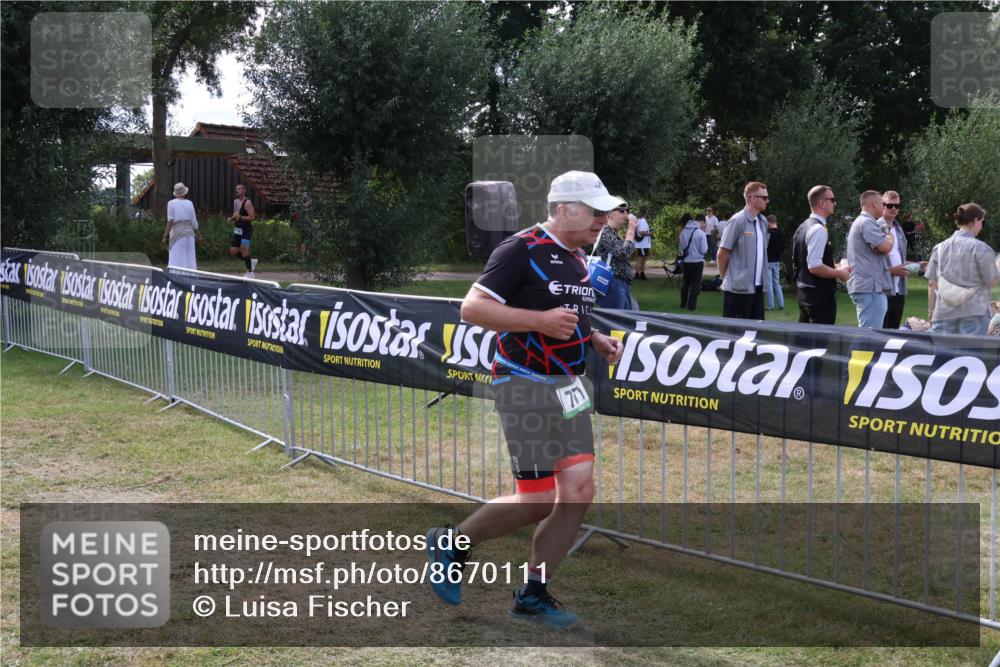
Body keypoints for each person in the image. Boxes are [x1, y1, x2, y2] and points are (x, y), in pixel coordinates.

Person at [426, 170, 625, 629]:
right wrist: (538, 322)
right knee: (536, 499)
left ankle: (532, 594)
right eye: (594, 211)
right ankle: (452, 542)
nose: (602, 219)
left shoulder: (578, 257)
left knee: (578, 493)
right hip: (523, 383)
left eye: (604, 211)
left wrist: (593, 338)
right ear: (563, 209)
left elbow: (569, 315)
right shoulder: (521, 248)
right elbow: (472, 308)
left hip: (568, 386)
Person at [925, 203, 1000, 336]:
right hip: (975, 313)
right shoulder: (982, 248)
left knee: (942, 349)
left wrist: (931, 313)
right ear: (976, 220)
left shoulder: (939, 248)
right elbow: (992, 281)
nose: (981, 226)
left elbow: (932, 283)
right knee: (971, 350)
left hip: (943, 313)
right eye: (982, 222)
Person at [792, 185, 851, 325]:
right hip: (819, 297)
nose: (835, 203)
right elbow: (814, 266)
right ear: (822, 203)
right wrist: (840, 273)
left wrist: (836, 265)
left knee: (804, 336)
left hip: (806, 293)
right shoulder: (818, 229)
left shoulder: (804, 226)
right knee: (819, 338)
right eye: (832, 200)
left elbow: (806, 261)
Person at [718, 182, 770, 319]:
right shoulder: (737, 221)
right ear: (752, 198)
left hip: (758, 289)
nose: (767, 201)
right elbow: (722, 254)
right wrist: (728, 279)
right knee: (735, 331)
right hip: (737, 290)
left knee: (755, 330)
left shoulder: (763, 222)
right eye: (764, 198)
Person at [846, 190, 894, 328]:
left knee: (869, 332)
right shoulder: (866, 222)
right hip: (869, 287)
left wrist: (884, 244)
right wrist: (890, 238)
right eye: (882, 203)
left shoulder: (866, 222)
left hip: (870, 287)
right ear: (874, 204)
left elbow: (880, 250)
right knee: (869, 334)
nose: (884, 207)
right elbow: (884, 247)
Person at [881, 190, 924, 329]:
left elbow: (899, 259)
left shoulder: (899, 229)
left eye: (897, 206)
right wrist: (891, 271)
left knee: (893, 331)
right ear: (882, 205)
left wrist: (918, 265)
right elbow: (871, 261)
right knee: (879, 332)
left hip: (899, 289)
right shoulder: (875, 227)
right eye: (890, 205)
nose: (894, 208)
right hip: (881, 289)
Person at [593, 203, 638, 309]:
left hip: (620, 284)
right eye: (621, 210)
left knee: (625, 318)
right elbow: (623, 253)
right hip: (613, 283)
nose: (626, 213)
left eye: (627, 210)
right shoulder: (605, 231)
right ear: (609, 214)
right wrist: (631, 231)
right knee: (616, 318)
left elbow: (627, 252)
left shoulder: (612, 233)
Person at [162, 182, 202, 270]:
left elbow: (170, 221)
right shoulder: (190, 203)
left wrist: (165, 236)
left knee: (177, 258)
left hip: (178, 234)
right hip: (189, 235)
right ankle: (190, 276)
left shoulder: (171, 203)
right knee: (190, 258)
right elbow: (194, 222)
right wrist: (199, 235)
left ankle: (177, 276)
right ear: (184, 192)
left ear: (175, 193)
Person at [679, 213, 708, 310]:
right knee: (695, 284)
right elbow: (704, 250)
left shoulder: (683, 232)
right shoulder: (700, 233)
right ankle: (691, 306)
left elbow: (681, 250)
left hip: (686, 261)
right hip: (697, 261)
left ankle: (683, 303)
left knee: (685, 283)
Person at [229, 184, 258, 277]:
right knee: (233, 251)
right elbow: (236, 214)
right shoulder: (236, 202)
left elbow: (252, 217)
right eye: (236, 189)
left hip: (246, 229)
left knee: (243, 249)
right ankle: (250, 261)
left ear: (244, 191)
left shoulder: (247, 203)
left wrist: (241, 217)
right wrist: (231, 218)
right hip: (238, 228)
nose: (237, 190)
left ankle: (250, 272)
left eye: (239, 189)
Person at [764, 214, 785, 311]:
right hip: (777, 260)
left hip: (768, 260)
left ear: (769, 222)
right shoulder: (782, 233)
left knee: (769, 284)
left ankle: (770, 305)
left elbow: (765, 247)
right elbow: (782, 247)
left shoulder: (768, 233)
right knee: (776, 283)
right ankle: (781, 304)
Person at [632, 207, 652, 280]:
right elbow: (641, 232)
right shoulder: (643, 221)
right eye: (648, 212)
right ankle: (639, 274)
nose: (649, 213)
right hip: (643, 244)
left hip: (641, 244)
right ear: (645, 213)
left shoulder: (639, 220)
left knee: (640, 259)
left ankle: (640, 274)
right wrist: (650, 234)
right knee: (641, 259)